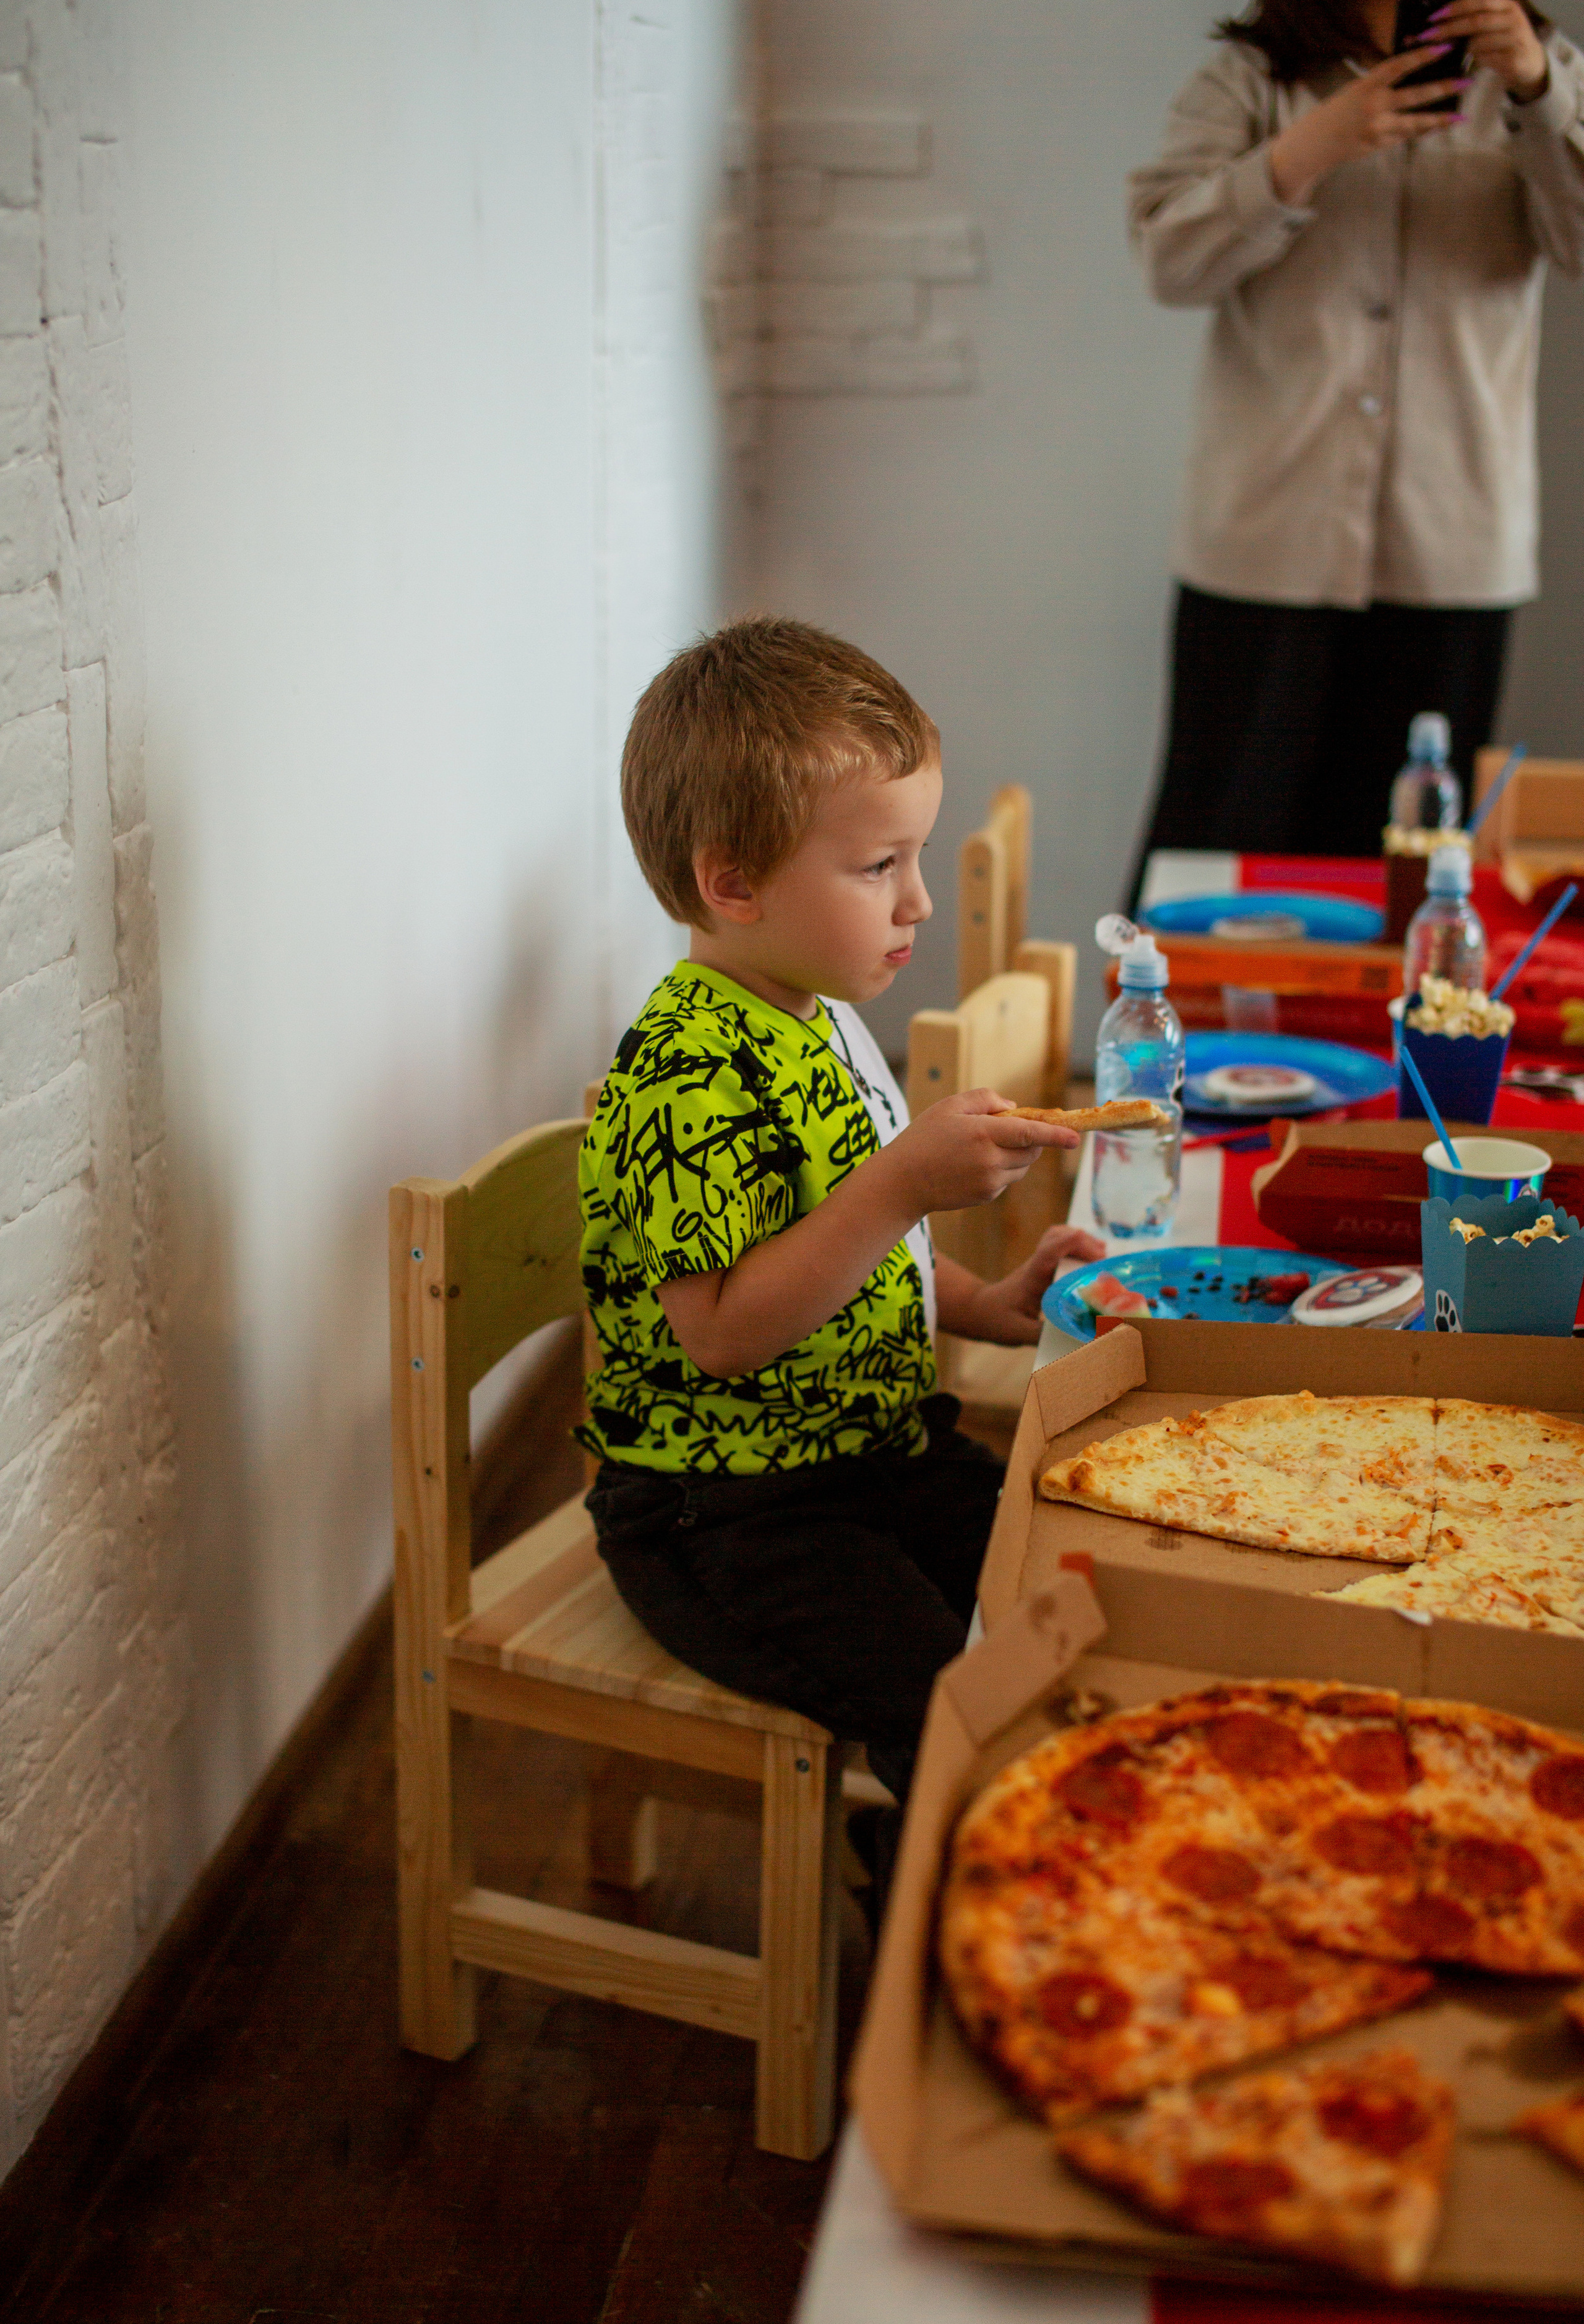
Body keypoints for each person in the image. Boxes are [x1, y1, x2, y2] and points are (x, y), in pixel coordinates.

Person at [579, 618, 1101, 1895]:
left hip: (864, 1453)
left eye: (914, 856)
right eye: (879, 865)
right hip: (724, 1512)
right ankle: (950, 1904)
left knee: (1059, 1582)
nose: (916, 900)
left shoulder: (811, 1012)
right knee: (947, 1690)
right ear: (733, 886)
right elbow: (723, 1331)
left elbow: (867, 1269)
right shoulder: (684, 1069)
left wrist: (990, 1304)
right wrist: (898, 1184)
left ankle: (968, 1843)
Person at [1127, 0, 1584, 885]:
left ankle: (1376, 1032)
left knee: (1407, 871)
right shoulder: (1251, 78)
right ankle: (1165, 1023)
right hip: (1265, 542)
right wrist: (1309, 150)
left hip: (1452, 547)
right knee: (1212, 844)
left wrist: (1537, 89)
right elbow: (1167, 260)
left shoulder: (1539, 80)